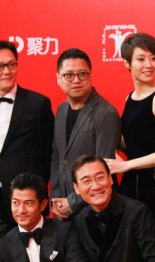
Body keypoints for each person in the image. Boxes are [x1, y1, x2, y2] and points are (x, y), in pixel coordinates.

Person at [0, 40, 54, 224]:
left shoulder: (38, 104)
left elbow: (47, 153)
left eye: (11, 64)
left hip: (27, 201)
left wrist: (36, 191)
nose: (7, 71)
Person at [105, 33, 155, 230]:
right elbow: (135, 142)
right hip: (130, 181)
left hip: (153, 183)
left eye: (153, 58)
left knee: (151, 236)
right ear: (127, 63)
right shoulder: (130, 97)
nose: (149, 65)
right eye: (141, 59)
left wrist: (127, 165)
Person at [50, 48, 121, 219]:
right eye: (69, 75)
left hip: (95, 209)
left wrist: (73, 203)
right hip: (63, 206)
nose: (76, 80)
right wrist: (56, 198)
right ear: (58, 78)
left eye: (82, 74)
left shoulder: (106, 113)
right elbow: (57, 156)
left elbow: (104, 169)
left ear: (90, 75)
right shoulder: (61, 109)